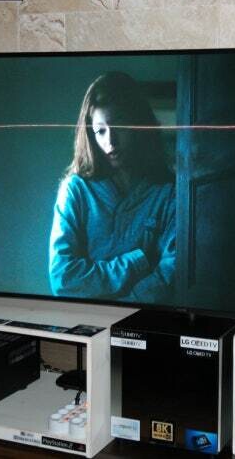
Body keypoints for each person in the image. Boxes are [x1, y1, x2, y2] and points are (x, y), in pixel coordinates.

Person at [48, 72, 175, 302]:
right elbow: (63, 280)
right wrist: (138, 261)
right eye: (100, 131)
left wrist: (120, 306)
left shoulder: (168, 192)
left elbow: (170, 276)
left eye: (119, 126)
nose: (110, 141)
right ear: (90, 134)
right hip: (86, 318)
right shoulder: (76, 190)